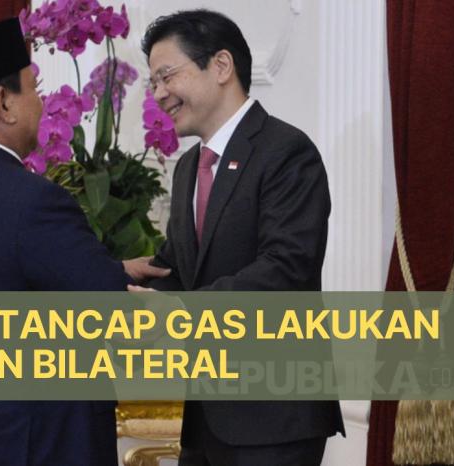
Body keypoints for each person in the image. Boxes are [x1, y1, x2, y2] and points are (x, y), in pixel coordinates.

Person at [0, 18, 168, 466]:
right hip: (28, 444)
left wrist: (117, 269)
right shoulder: (33, 200)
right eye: (34, 90)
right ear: (4, 102)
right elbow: (106, 305)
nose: (42, 105)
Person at [136, 9, 345, 466]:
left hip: (273, 418)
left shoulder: (285, 151)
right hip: (205, 418)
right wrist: (111, 278)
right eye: (153, 83)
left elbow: (286, 270)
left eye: (167, 76)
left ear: (221, 66)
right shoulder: (189, 167)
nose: (159, 94)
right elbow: (178, 268)